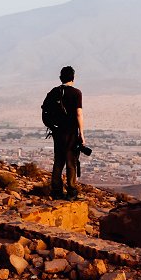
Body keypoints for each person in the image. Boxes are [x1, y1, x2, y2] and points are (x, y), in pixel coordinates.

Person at [47, 65, 86, 200]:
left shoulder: (54, 92)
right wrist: (81, 133)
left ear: (60, 77)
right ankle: (71, 191)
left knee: (58, 161)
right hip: (71, 132)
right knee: (71, 162)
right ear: (73, 78)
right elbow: (78, 114)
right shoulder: (76, 93)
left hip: (57, 131)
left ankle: (56, 190)